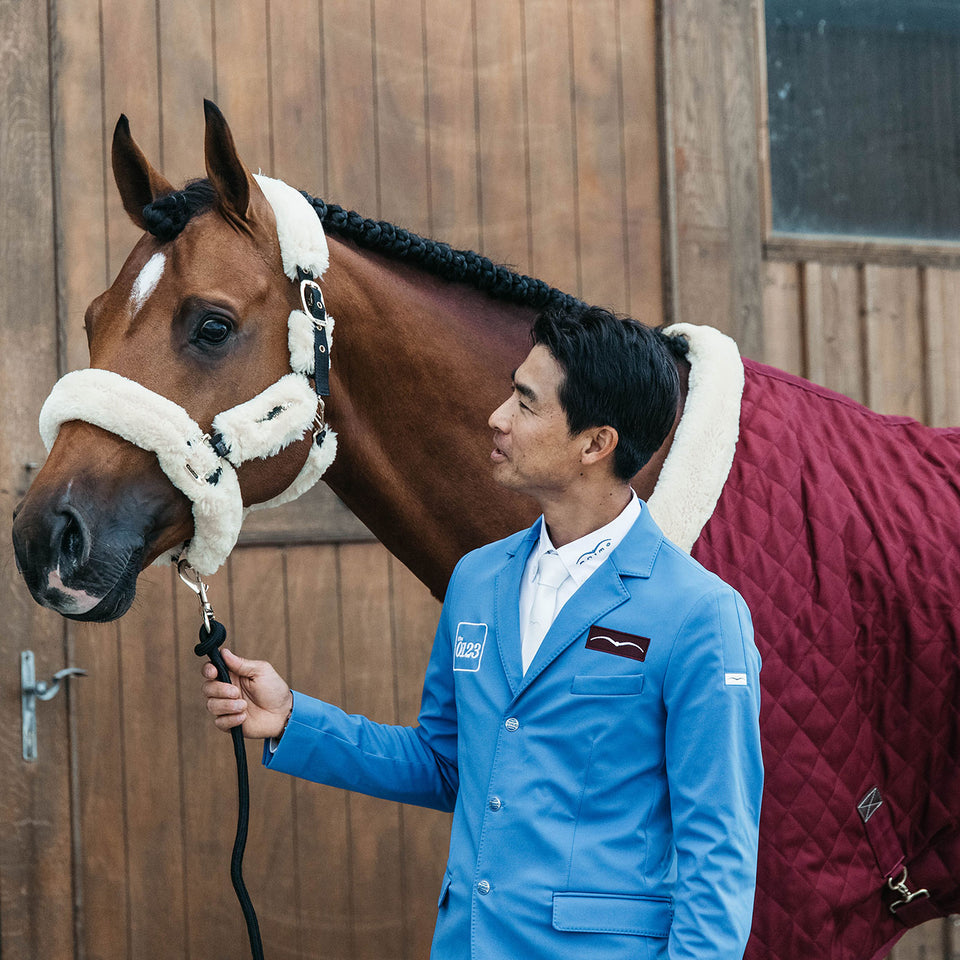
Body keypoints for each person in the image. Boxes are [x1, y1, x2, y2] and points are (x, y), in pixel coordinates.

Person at [202, 302, 763, 959]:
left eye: (525, 403)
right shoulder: (477, 579)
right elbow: (446, 765)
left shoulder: (698, 614)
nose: (497, 417)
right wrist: (294, 719)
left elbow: (718, 849)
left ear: (595, 443)